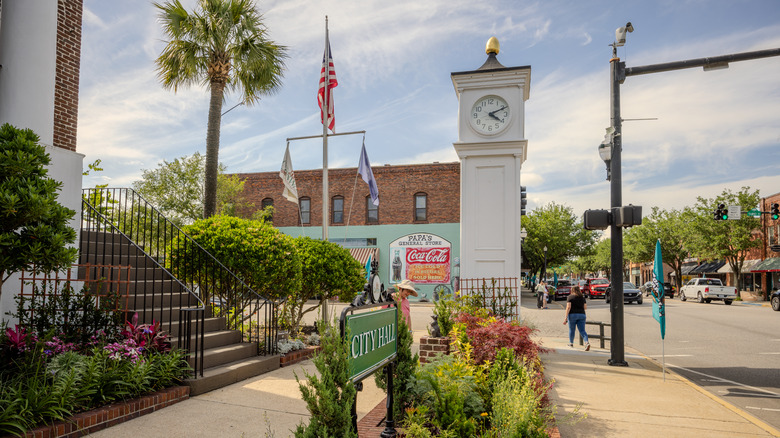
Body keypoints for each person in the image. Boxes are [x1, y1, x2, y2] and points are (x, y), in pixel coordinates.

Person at [564, 285, 590, 351]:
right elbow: (585, 307)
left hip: (572, 315)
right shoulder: (582, 297)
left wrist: (566, 317)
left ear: (572, 290)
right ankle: (586, 342)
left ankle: (571, 343)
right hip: (582, 315)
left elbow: (568, 307)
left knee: (572, 330)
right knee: (582, 330)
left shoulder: (570, 297)